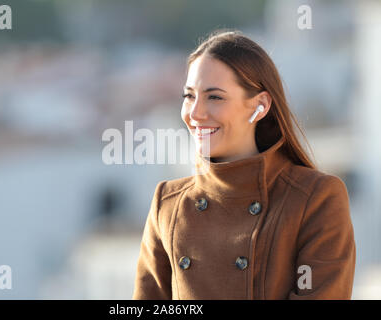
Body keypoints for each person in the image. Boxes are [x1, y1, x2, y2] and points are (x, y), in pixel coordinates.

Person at [132, 29, 356, 299]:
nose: (195, 113)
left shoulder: (315, 199)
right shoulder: (167, 204)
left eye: (214, 97)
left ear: (260, 106)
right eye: (189, 96)